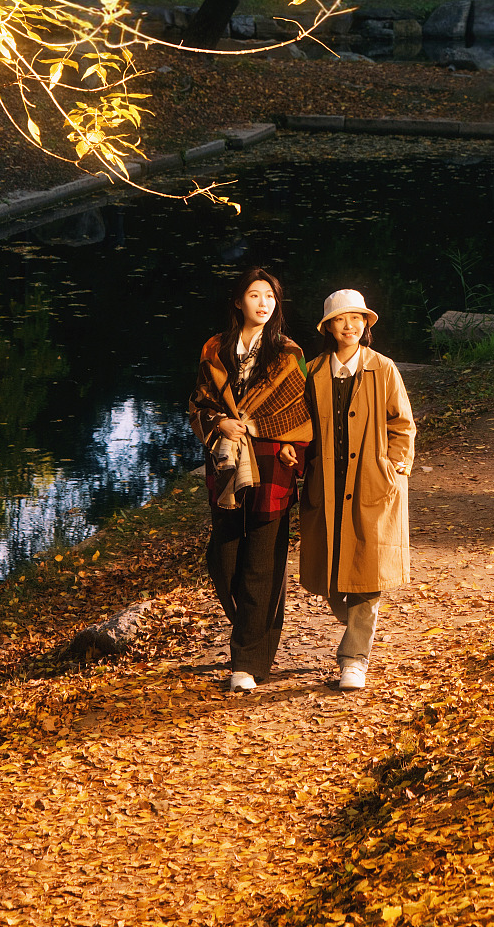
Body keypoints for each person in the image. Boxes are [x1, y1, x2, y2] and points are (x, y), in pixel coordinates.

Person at [189, 266, 313, 693]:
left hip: (273, 463)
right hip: (226, 465)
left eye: (270, 296)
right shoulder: (215, 348)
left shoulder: (287, 353)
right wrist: (219, 422)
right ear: (238, 301)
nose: (263, 303)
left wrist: (284, 440)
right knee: (223, 562)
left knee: (263, 565)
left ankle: (247, 660)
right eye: (255, 295)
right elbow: (198, 402)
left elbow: (300, 410)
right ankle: (254, 632)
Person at [300, 287, 415, 691]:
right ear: (328, 327)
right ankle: (353, 625)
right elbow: (300, 426)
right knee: (331, 574)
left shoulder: (383, 368)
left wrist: (394, 466)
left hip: (372, 482)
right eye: (340, 319)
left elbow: (402, 424)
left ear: (366, 324)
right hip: (326, 483)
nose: (349, 326)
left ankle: (354, 660)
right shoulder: (312, 371)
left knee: (368, 572)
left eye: (356, 318)